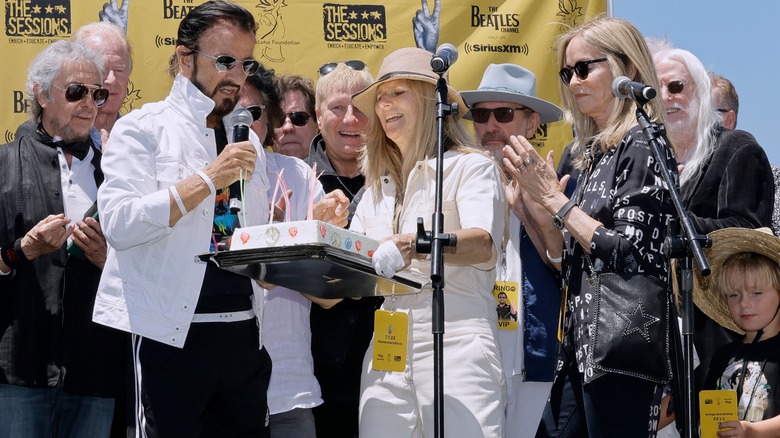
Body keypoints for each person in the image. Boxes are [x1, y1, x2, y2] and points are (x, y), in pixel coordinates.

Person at [91, 2, 348, 435]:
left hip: (245, 335)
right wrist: (210, 177)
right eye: (225, 60)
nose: (237, 75)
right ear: (184, 57)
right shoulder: (142, 128)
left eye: (245, 63)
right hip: (170, 338)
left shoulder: (242, 136)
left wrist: (300, 240)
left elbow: (233, 240)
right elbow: (119, 224)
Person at [503, 17, 677, 436]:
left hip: (621, 349)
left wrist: (555, 201)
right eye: (567, 72)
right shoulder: (588, 153)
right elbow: (568, 264)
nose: (573, 81)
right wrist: (534, 214)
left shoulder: (642, 141)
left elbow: (629, 254)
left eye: (584, 68)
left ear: (628, 69)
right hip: (581, 348)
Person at [351, 46, 506, 437]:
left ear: (429, 98)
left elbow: (484, 244)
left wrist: (414, 245)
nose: (385, 105)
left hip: (457, 339)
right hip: (387, 346)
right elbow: (345, 276)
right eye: (380, 97)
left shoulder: (470, 167)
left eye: (397, 93)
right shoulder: (375, 187)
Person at [0, 40, 123, 437]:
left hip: (96, 370)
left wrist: (111, 262)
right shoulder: (3, 165)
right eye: (76, 92)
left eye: (98, 93)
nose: (90, 103)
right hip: (19, 371)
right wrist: (21, 251)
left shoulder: (118, 176)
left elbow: (149, 271)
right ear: (41, 92)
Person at [652, 45, 774, 409]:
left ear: (701, 94)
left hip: (714, 341)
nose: (665, 98)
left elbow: (747, 232)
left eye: (676, 87)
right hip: (656, 343)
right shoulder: (643, 162)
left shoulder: (737, 148)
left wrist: (665, 226)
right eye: (654, 89)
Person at [460, 62, 564, 438]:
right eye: (481, 114)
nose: (490, 126)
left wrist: (538, 209)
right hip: (470, 356)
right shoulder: (453, 178)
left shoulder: (554, 181)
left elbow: (565, 264)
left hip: (531, 357)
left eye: (503, 114)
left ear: (531, 124)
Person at [239, 66, 325, 438]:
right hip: (216, 387)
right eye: (230, 111)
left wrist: (278, 245)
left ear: (269, 119)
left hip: (289, 386)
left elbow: (326, 287)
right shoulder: (198, 178)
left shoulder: (301, 176)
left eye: (254, 113)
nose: (243, 124)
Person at [307, 60, 380, 438]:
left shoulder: (401, 177)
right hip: (315, 372)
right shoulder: (296, 180)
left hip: (390, 367)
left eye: (360, 107)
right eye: (337, 107)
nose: (350, 118)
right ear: (318, 116)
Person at [695, 227, 780, 436]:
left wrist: (752, 431)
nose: (744, 303)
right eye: (734, 295)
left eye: (756, 293)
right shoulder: (723, 356)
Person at [73, 21, 133, 147]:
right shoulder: (55, 137)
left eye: (119, 70)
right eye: (102, 70)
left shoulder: (140, 139)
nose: (112, 80)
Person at [273, 74, 319, 159]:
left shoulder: (344, 170)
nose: (288, 127)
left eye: (298, 117)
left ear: (317, 123)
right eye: (278, 120)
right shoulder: (252, 171)